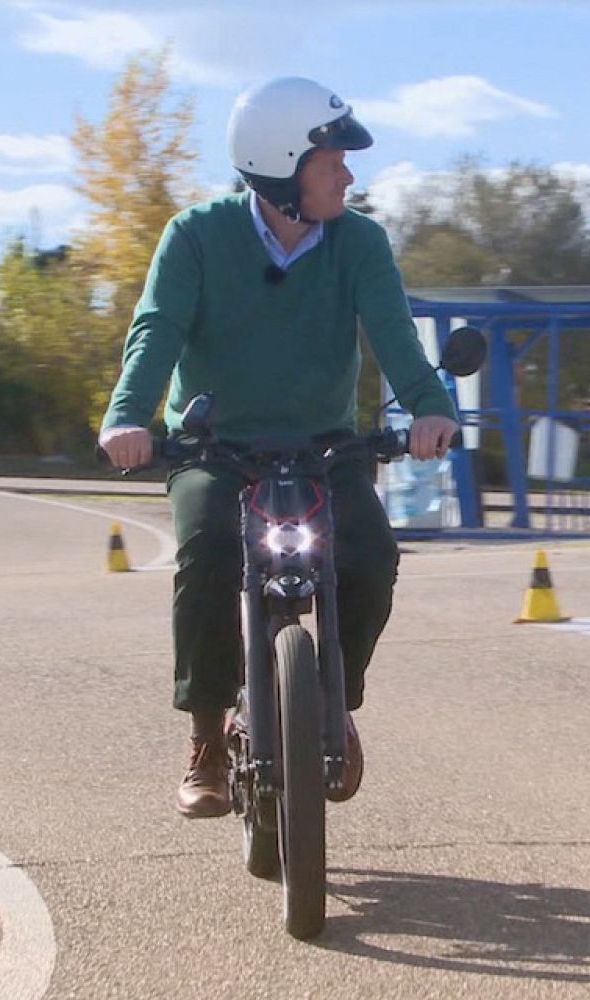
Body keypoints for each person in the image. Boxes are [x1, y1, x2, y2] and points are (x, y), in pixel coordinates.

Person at [98, 76, 459, 818]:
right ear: (282, 162)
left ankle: (332, 702)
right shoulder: (196, 236)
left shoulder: (359, 243)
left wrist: (430, 409)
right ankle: (205, 734)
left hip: (325, 448)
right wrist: (128, 418)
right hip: (215, 446)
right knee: (204, 551)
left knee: (370, 557)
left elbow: (394, 334)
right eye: (333, 160)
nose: (348, 174)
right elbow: (156, 329)